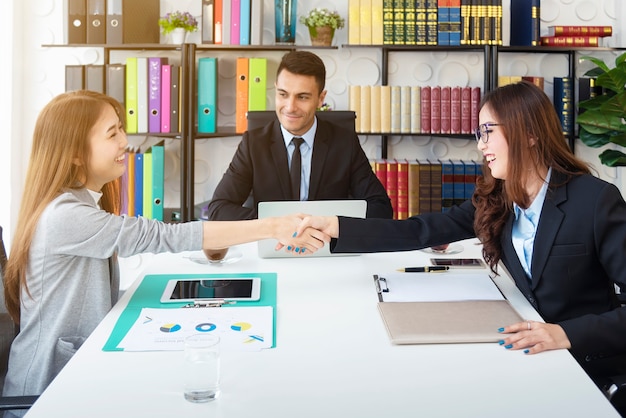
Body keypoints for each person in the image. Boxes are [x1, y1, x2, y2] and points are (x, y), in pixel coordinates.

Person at [297, 81, 626, 393]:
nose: (481, 145)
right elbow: (419, 230)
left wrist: (565, 334)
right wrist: (336, 226)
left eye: (488, 132)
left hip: (584, 365)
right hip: (525, 356)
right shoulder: (496, 199)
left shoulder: (595, 201)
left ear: (529, 133)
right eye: (478, 133)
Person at [2, 90, 328, 403]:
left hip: (77, 375)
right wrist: (272, 226)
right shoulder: (65, 215)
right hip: (45, 392)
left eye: (121, 130)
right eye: (112, 133)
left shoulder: (81, 204)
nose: (124, 142)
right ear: (74, 152)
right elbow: (160, 236)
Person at [206, 50, 393, 221]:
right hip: (271, 245)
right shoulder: (253, 144)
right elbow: (219, 209)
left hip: (325, 246)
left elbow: (380, 208)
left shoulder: (345, 143)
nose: (290, 107)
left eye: (302, 97)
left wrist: (327, 224)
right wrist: (278, 224)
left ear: (321, 98)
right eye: (283, 94)